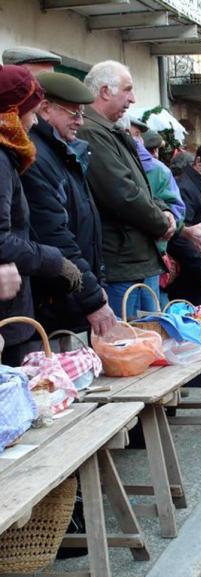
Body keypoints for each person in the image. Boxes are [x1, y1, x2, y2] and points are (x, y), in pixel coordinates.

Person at [21, 71, 117, 336]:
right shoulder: (38, 156)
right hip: (54, 300)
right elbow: (55, 235)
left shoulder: (62, 151)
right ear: (45, 109)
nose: (79, 121)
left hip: (70, 292)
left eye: (82, 114)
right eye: (73, 114)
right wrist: (92, 297)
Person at [77, 60, 174, 320]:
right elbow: (122, 194)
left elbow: (142, 187)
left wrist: (165, 211)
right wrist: (161, 223)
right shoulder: (92, 132)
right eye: (127, 90)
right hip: (122, 261)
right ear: (105, 91)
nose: (133, 99)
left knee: (149, 345)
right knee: (128, 349)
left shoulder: (111, 131)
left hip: (137, 258)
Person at [0, 64, 82, 365]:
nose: (33, 122)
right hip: (7, 318)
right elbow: (1, 239)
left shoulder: (8, 156)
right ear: (12, 112)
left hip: (14, 313)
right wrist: (53, 260)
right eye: (30, 112)